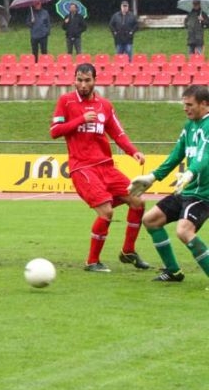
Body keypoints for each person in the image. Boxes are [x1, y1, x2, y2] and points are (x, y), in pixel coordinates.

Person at [50, 62, 150, 272]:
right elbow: (55, 131)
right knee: (106, 212)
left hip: (106, 167)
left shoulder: (105, 105)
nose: (83, 85)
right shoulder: (66, 101)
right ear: (74, 80)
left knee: (138, 201)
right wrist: (81, 119)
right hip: (82, 168)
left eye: (87, 80)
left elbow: (118, 133)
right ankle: (92, 262)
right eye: (79, 80)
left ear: (95, 80)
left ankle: (128, 251)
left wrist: (133, 151)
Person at [130, 84, 209, 283]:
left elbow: (205, 155)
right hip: (188, 190)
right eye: (184, 104)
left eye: (189, 104)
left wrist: (190, 172)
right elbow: (176, 154)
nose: (185, 108)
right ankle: (173, 271)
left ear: (204, 104)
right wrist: (152, 177)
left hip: (203, 194)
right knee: (151, 220)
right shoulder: (189, 125)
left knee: (184, 231)